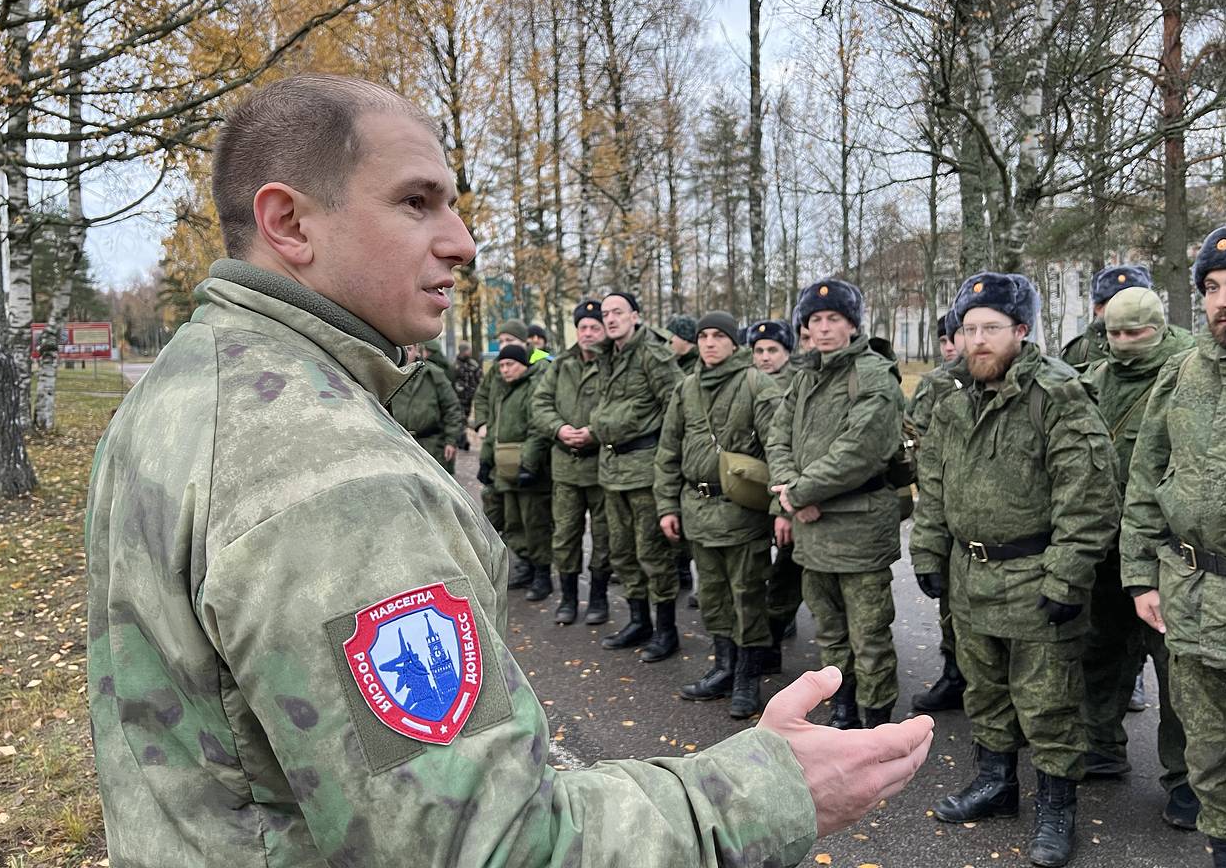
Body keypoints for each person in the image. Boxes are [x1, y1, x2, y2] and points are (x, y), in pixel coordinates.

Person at [85, 75, 936, 866]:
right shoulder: (335, 476)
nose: (461, 242)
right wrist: (768, 789)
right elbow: (491, 846)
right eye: (416, 202)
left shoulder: (182, 389)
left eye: (453, 204)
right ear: (291, 223)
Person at [909, 271, 1122, 868]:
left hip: (1035, 578)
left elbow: (1089, 499)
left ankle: (1057, 810)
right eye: (969, 329)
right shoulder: (953, 398)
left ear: (1021, 332)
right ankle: (996, 785)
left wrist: (1067, 577)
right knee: (985, 691)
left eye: (991, 329)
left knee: (1049, 704)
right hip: (971, 576)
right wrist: (927, 553)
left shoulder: (1056, 395)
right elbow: (936, 482)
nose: (978, 340)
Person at [1122, 223, 1226, 868]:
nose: (1222, 302)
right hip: (1193, 606)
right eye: (1211, 288)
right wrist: (1140, 575)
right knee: (1212, 769)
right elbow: (1146, 475)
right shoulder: (1184, 372)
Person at [1079, 286, 1198, 827]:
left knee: (1176, 670)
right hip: (1104, 545)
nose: (1124, 344)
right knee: (1099, 652)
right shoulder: (1094, 379)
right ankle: (1101, 746)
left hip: (1165, 550)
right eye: (1115, 334)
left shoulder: (1190, 372)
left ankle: (1185, 778)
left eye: (1137, 334)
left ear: (1160, 327)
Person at [766, 279, 905, 731]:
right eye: (815, 321)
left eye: (834, 320)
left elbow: (859, 451)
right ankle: (842, 711)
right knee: (829, 630)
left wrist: (800, 493)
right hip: (812, 528)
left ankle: (877, 722)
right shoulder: (804, 375)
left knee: (868, 635)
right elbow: (778, 436)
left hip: (859, 527)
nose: (823, 329)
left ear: (852, 324)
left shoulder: (872, 374)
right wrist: (790, 491)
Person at [655, 311, 783, 718]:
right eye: (704, 335)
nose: (709, 342)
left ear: (733, 342)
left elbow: (779, 447)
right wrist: (667, 506)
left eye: (718, 336)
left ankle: (747, 677)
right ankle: (723, 667)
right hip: (697, 509)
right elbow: (668, 451)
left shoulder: (755, 384)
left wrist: (781, 507)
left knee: (747, 595)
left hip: (742, 510)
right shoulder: (687, 387)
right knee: (711, 595)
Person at [593, 291, 685, 662]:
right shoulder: (607, 356)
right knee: (623, 552)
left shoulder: (653, 353)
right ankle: (639, 621)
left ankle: (666, 630)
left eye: (618, 312)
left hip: (645, 470)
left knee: (653, 554)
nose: (611, 319)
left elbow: (676, 409)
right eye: (606, 313)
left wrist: (667, 463)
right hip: (613, 470)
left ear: (635, 315)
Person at [531, 298, 612, 625]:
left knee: (605, 537)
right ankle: (567, 598)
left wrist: (594, 432)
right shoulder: (560, 364)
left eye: (595, 327)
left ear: (605, 331)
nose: (588, 333)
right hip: (565, 467)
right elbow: (540, 405)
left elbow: (620, 406)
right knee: (565, 535)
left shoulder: (612, 365)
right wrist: (559, 428)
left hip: (601, 467)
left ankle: (598, 598)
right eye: (583, 328)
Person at [904, 309, 968, 713]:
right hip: (941, 505)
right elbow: (912, 436)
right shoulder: (933, 385)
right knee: (950, 600)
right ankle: (955, 674)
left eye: (954, 337)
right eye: (943, 340)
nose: (949, 346)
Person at [478, 343, 555, 601]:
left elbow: (538, 428)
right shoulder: (502, 392)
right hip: (505, 471)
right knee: (513, 523)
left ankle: (542, 574)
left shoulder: (533, 388)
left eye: (510, 364)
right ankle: (526, 566)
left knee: (535, 523)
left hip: (529, 472)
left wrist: (529, 464)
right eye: (501, 365)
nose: (505, 370)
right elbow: (495, 429)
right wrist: (486, 461)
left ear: (523, 365)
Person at [746, 318, 802, 665]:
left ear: (786, 352)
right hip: (754, 489)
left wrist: (785, 507)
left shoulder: (797, 385)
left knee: (785, 567)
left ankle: (778, 629)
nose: (765, 357)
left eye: (773, 350)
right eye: (759, 350)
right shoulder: (750, 383)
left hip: (787, 491)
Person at [472, 317, 542, 587]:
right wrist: (481, 425)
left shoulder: (538, 369)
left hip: (525, 455)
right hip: (499, 450)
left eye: (509, 341)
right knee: (506, 514)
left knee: (531, 517)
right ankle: (521, 563)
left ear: (524, 342)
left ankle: (537, 569)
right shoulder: (498, 371)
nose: (504, 346)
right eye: (500, 341)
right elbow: (483, 399)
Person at [1061, 264, 1153, 373]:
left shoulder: (1169, 345)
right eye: (1118, 303)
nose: (1129, 310)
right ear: (1099, 309)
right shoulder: (1080, 351)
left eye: (1136, 302)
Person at [388, 341, 464, 473]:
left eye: (409, 349)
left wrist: (451, 441)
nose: (405, 354)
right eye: (400, 349)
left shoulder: (434, 374)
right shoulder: (388, 374)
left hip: (431, 445)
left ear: (417, 349)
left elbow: (452, 408)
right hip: (399, 445)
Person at [453, 340, 483, 448]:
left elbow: (480, 379)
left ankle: (462, 439)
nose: (470, 352)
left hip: (469, 398)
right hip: (457, 398)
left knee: (464, 418)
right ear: (464, 351)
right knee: (460, 419)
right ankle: (462, 441)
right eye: (468, 350)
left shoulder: (473, 364)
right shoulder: (454, 365)